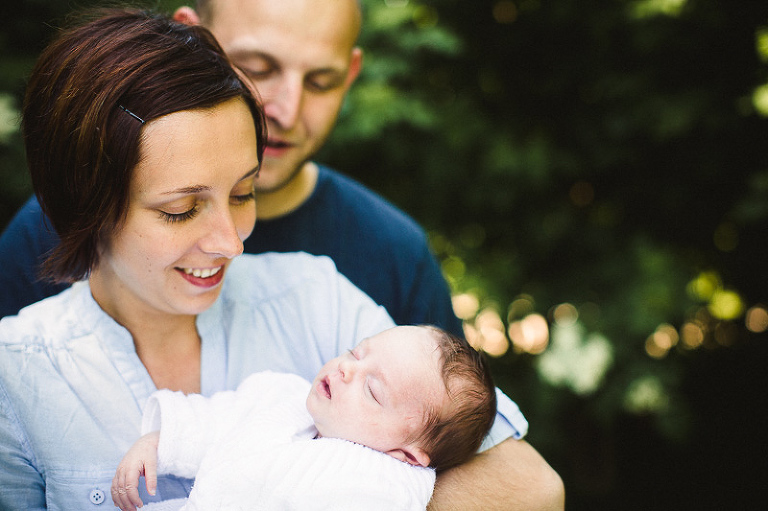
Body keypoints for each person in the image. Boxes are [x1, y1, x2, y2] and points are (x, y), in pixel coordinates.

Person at [0, 7, 537, 510]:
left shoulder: (318, 296)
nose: (232, 242)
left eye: (242, 194)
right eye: (181, 210)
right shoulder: (18, 375)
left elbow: (534, 489)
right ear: (84, 205)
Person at [0, 0, 463, 339]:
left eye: (322, 82)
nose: (286, 109)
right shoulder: (49, 234)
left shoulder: (394, 256)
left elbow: (468, 442)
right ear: (191, 43)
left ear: (352, 73)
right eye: (256, 69)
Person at [111, 326, 497, 511]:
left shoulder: (383, 488)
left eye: (372, 390)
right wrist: (158, 442)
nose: (347, 369)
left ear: (407, 455)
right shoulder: (280, 396)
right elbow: (216, 419)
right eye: (356, 353)